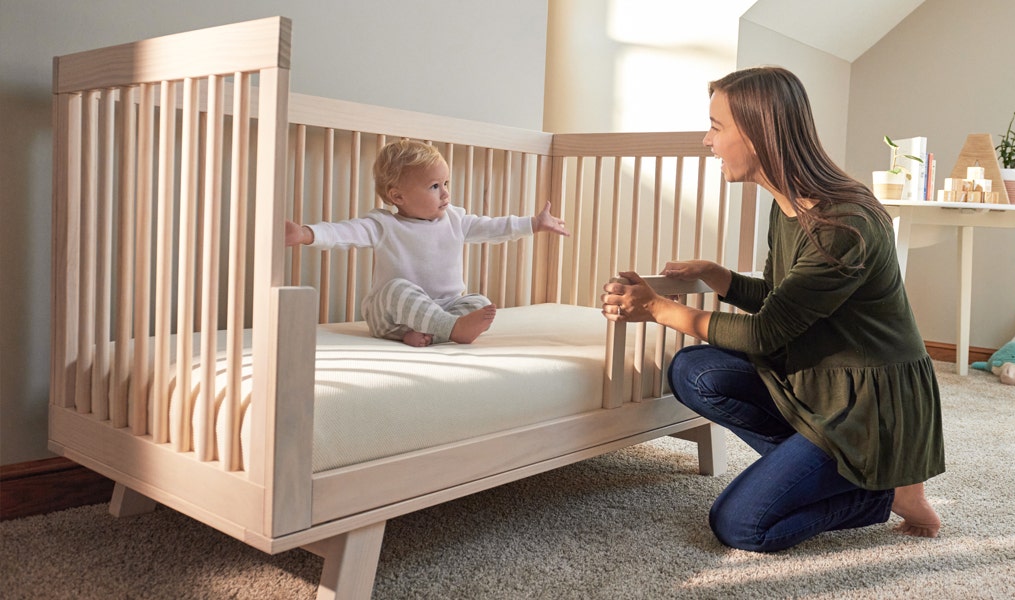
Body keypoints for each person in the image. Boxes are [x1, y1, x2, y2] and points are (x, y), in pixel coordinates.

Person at [600, 66, 943, 552]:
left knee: (740, 525)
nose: (706, 141)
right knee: (694, 370)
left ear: (760, 133)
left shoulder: (844, 225)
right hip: (820, 383)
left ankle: (879, 494)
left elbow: (766, 335)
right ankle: (825, 470)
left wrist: (659, 308)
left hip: (865, 410)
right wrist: (721, 278)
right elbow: (785, 303)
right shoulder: (787, 207)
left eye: (716, 128)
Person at [287, 139, 569, 347]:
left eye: (446, 183)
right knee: (396, 288)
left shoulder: (455, 220)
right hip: (390, 314)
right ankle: (449, 330)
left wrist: (532, 223)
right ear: (397, 197)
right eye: (435, 186)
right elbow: (344, 232)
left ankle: (430, 333)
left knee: (478, 301)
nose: (445, 193)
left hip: (442, 307)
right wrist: (305, 233)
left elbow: (492, 227)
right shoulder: (384, 224)